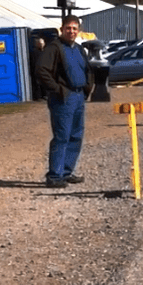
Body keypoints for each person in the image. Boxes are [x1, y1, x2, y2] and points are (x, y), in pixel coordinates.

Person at [36, 15, 93, 188]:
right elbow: (41, 71)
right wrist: (58, 89)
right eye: (68, 28)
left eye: (75, 28)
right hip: (63, 98)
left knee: (76, 136)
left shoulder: (78, 49)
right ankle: (54, 175)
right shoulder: (54, 48)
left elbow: (87, 69)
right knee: (62, 137)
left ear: (78, 31)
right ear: (62, 29)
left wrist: (87, 88)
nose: (71, 31)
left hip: (78, 97)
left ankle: (67, 172)